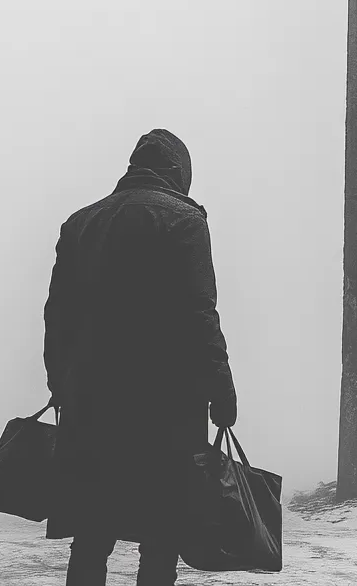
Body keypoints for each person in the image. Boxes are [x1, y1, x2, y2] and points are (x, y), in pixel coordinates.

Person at [43, 129, 237, 586]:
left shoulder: (79, 224)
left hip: (90, 402)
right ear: (178, 172)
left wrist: (59, 382)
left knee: (90, 534)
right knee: (162, 537)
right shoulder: (185, 221)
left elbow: (57, 314)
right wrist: (221, 390)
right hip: (167, 407)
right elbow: (199, 314)